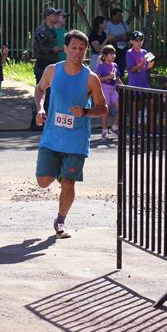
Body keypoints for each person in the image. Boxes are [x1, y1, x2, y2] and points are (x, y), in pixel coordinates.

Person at [34, 30, 108, 237]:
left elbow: (103, 108)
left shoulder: (91, 78)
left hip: (76, 139)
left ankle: (60, 220)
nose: (77, 52)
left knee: (68, 182)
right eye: (73, 48)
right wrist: (40, 108)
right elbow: (40, 89)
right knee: (43, 181)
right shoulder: (52, 70)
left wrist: (85, 111)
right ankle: (60, 172)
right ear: (65, 49)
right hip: (52, 136)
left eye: (82, 49)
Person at [30, 7, 61, 130]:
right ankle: (36, 122)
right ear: (48, 16)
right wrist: (51, 50)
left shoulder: (52, 30)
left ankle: (45, 121)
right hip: (43, 64)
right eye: (55, 15)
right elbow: (37, 47)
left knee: (50, 94)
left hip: (51, 64)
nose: (57, 17)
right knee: (41, 91)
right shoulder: (42, 30)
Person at [95, 46, 121, 139]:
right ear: (105, 55)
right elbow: (97, 79)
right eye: (111, 54)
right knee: (106, 111)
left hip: (113, 89)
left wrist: (122, 85)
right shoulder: (101, 66)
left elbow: (117, 77)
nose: (113, 56)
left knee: (121, 108)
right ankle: (104, 131)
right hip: (104, 89)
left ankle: (114, 127)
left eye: (114, 54)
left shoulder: (115, 65)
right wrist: (108, 77)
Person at [105, 8, 131, 78]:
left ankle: (120, 77)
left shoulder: (123, 23)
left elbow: (128, 34)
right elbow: (108, 38)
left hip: (124, 47)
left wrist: (120, 38)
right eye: (119, 15)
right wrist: (120, 38)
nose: (121, 17)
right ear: (113, 16)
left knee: (122, 64)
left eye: (121, 15)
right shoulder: (108, 25)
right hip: (114, 48)